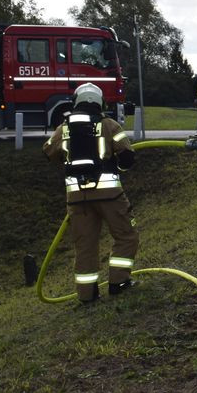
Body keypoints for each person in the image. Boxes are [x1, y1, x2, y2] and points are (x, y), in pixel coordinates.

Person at [42, 83, 139, 304]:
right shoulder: (109, 125)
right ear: (99, 102)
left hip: (77, 200)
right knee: (126, 236)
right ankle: (119, 283)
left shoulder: (64, 128)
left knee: (85, 246)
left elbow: (48, 152)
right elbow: (127, 157)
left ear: (76, 102)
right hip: (110, 197)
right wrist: (115, 166)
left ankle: (87, 295)